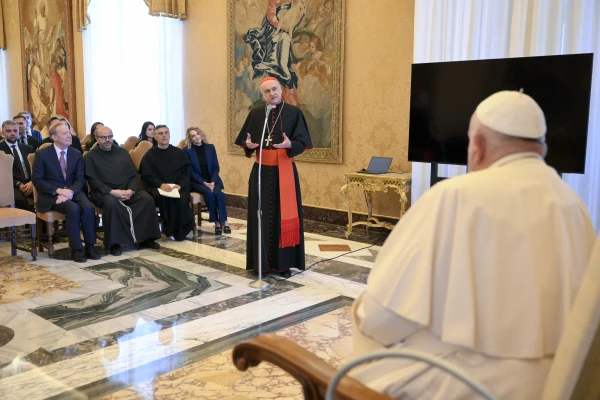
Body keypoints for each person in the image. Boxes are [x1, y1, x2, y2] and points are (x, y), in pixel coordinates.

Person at [350, 90, 596, 399]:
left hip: (470, 385)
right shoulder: (574, 205)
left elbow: (379, 321)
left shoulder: (453, 196)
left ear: (477, 146)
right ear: (541, 148)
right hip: (553, 386)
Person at [235, 76, 312, 278]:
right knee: (260, 215)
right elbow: (246, 140)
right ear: (263, 95)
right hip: (261, 171)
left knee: (282, 215)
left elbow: (302, 141)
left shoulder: (294, 113)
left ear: (281, 89)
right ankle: (260, 264)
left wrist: (290, 145)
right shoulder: (256, 113)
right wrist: (249, 145)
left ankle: (283, 264)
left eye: (275, 89)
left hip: (284, 170)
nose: (272, 93)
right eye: (267, 91)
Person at [85, 126, 161, 256]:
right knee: (112, 204)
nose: (107, 140)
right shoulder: (90, 156)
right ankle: (115, 243)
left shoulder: (122, 152)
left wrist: (131, 190)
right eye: (103, 137)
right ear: (97, 138)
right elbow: (93, 180)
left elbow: (133, 175)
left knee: (146, 199)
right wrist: (113, 192)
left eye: (110, 136)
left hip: (127, 189)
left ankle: (145, 239)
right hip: (104, 193)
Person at [32, 122, 101, 263]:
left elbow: (80, 179)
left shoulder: (76, 154)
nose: (69, 135)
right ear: (53, 137)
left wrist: (69, 192)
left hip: (73, 191)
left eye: (69, 132)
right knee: (73, 208)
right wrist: (58, 191)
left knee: (88, 208)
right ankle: (76, 249)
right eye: (64, 133)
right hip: (52, 194)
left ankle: (90, 246)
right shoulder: (42, 154)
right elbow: (37, 180)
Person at [139, 124, 195, 241]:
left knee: (182, 199)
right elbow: (147, 176)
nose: (164, 136)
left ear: (169, 135)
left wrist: (179, 185)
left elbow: (185, 173)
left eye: (166, 133)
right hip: (158, 187)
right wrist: (161, 185)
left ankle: (181, 231)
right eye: (160, 133)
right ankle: (168, 228)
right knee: (163, 197)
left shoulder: (178, 153)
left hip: (177, 187)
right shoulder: (150, 155)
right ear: (155, 136)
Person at [183, 127, 231, 235]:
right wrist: (205, 183)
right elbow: (191, 172)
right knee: (209, 194)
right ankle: (217, 223)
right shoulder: (187, 151)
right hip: (197, 182)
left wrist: (212, 182)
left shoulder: (210, 147)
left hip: (213, 180)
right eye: (193, 136)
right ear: (190, 139)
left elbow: (216, 167)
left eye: (198, 134)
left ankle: (225, 222)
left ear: (202, 135)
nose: (196, 137)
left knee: (219, 195)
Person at [0, 120, 34, 211]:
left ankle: (43, 221)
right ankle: (34, 220)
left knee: (46, 195)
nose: (12, 133)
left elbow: (36, 168)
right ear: (3, 133)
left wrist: (32, 182)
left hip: (30, 183)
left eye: (15, 131)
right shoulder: (0, 150)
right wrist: (18, 184)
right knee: (19, 200)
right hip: (11, 185)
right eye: (8, 131)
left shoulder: (28, 148)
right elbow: (2, 173)